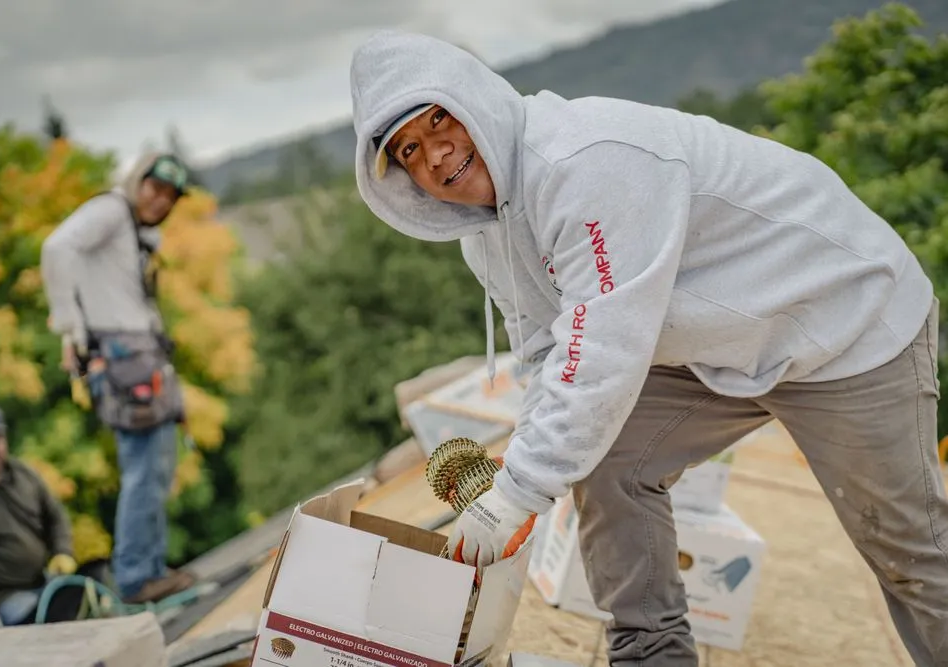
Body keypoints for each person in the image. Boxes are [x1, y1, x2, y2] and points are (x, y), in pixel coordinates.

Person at [349, 30, 948, 666]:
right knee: (607, 461)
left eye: (440, 118)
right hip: (717, 344)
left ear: (475, 101)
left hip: (842, 323)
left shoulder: (586, 162)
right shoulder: (484, 237)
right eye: (409, 149)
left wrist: (520, 489)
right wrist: (522, 482)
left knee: (908, 551)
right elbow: (546, 356)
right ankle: (651, 653)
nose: (436, 154)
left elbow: (602, 345)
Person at [40, 152, 195, 605]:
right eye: (154, 187)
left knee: (157, 463)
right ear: (137, 179)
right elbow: (56, 247)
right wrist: (70, 325)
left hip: (140, 355)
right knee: (145, 467)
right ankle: (134, 577)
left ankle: (148, 568)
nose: (159, 200)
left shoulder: (136, 231)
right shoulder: (110, 210)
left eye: (169, 196)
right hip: (123, 356)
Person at [0, 401, 78, 640]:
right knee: (47, 620)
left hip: (44, 582)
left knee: (92, 588)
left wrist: (63, 551)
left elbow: (56, 517)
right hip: (0, 600)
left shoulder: (24, 474)